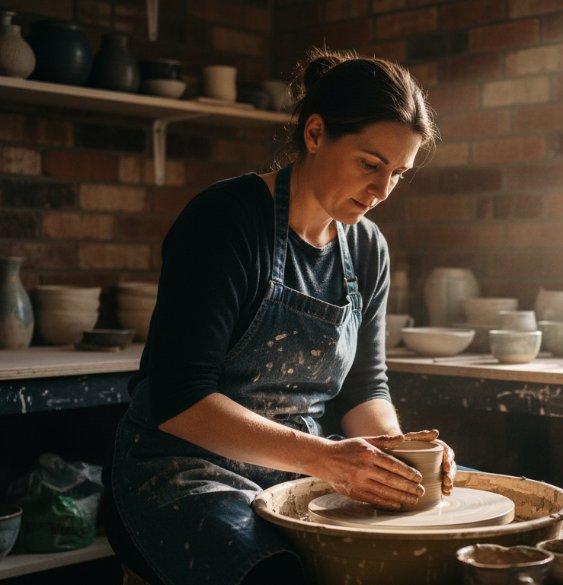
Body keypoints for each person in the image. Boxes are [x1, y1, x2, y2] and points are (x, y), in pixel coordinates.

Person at [107, 48, 453, 585]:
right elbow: (179, 397)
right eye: (370, 164)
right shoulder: (225, 220)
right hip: (183, 472)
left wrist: (401, 456)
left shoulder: (367, 248)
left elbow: (365, 389)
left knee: (441, 546)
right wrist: (326, 459)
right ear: (315, 134)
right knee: (280, 575)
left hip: (298, 471)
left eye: (399, 174)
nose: (382, 191)